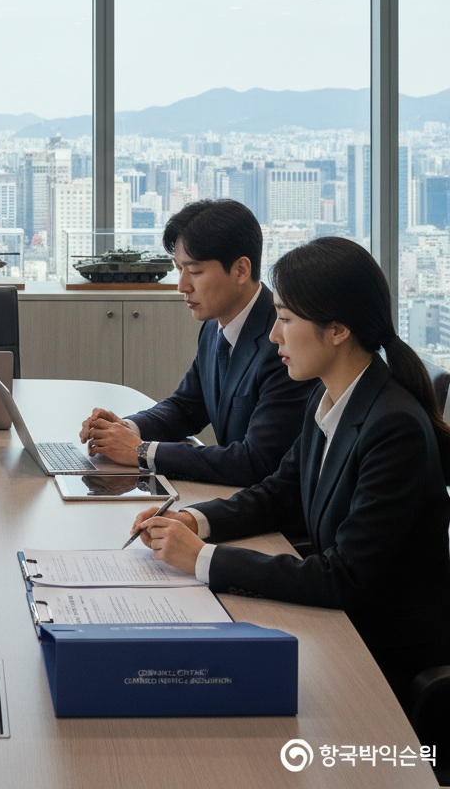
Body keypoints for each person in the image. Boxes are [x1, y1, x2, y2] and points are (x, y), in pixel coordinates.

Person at [130, 237, 450, 702]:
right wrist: (193, 520)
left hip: (380, 661)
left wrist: (201, 558)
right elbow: (278, 493)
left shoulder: (392, 426)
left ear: (338, 329)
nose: (275, 335)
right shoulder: (330, 397)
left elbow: (343, 578)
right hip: (338, 628)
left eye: (285, 319)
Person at [79, 198, 317, 486]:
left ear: (241, 270)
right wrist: (127, 427)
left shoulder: (283, 344)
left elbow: (256, 461)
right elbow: (186, 407)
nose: (182, 285)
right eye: (179, 269)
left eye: (195, 271)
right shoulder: (214, 326)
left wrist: (140, 452)